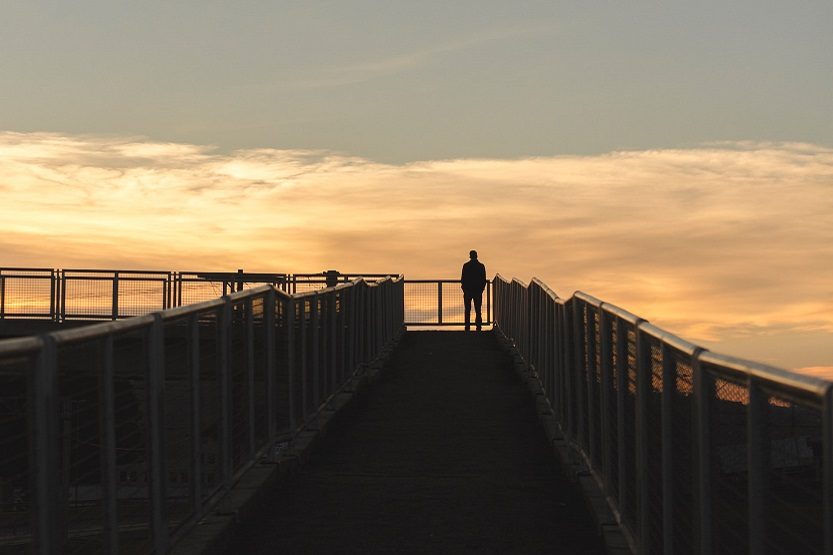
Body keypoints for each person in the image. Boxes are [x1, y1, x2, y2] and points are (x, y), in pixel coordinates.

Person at [460, 250, 487, 331]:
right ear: (476, 256)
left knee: (467, 309)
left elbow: (463, 278)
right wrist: (481, 289)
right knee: (478, 309)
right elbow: (483, 279)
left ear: (470, 256)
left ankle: (467, 326)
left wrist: (464, 289)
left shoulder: (466, 265)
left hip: (468, 290)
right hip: (477, 291)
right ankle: (478, 326)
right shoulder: (481, 266)